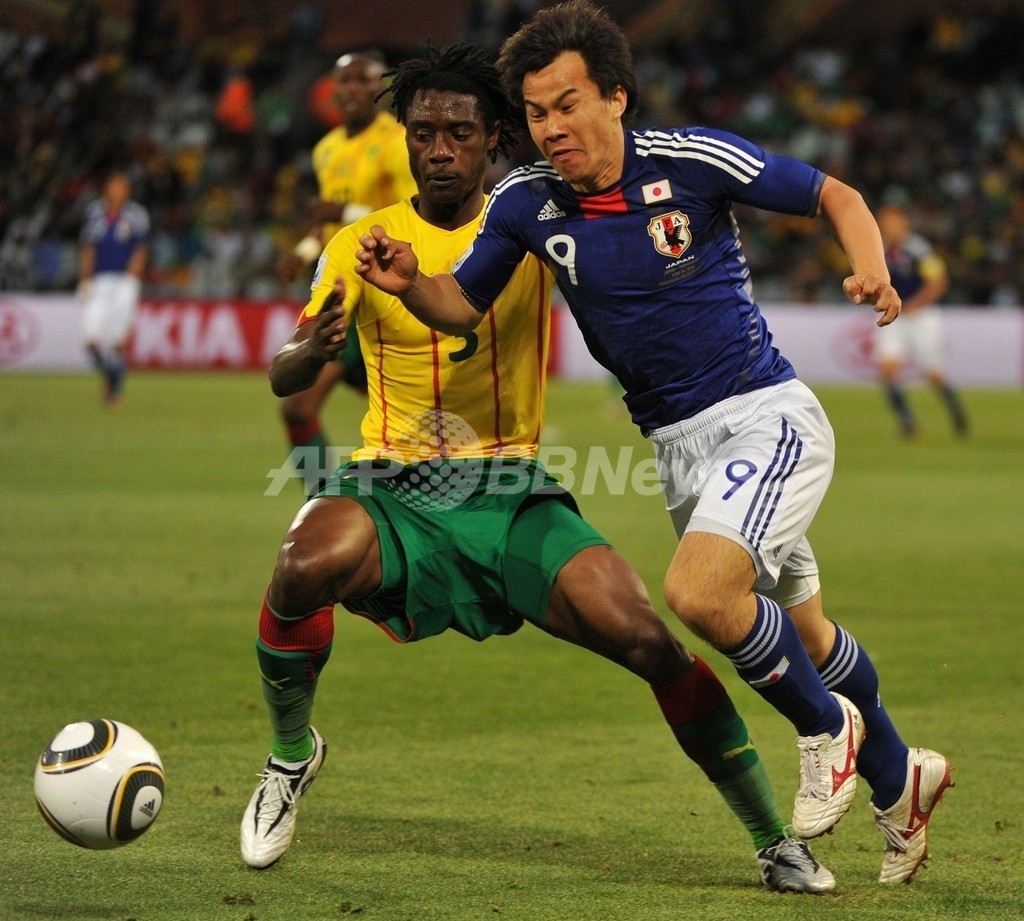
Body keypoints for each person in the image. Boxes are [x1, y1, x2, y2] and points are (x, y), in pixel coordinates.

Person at [355, 1, 951, 885]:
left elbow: (835, 193)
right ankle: (904, 778)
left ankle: (829, 730)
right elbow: (459, 307)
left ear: (617, 97)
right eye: (536, 113)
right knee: (807, 629)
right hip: (678, 448)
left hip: (764, 414)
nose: (550, 127)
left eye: (567, 104)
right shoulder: (525, 202)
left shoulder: (690, 161)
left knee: (699, 594)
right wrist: (412, 284)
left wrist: (871, 263)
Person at [241, 42, 834, 894]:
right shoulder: (358, 244)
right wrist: (310, 347)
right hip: (390, 485)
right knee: (302, 563)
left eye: (459, 131)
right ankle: (290, 757)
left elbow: (626, 254)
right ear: (403, 140)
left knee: (649, 640)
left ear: (494, 140)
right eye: (422, 132)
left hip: (510, 489)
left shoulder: (529, 222)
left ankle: (774, 836)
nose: (439, 148)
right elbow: (285, 374)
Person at [279, 51, 418, 496]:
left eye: (363, 80)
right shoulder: (326, 150)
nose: (353, 88)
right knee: (299, 409)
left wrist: (347, 209)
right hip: (340, 292)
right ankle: (324, 500)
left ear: (380, 89)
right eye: (345, 80)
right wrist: (303, 251)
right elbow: (327, 224)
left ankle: (328, 502)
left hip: (383, 296)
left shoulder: (398, 142)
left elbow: (415, 215)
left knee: (302, 407)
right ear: (334, 90)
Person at [874, 201, 969, 438]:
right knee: (887, 369)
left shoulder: (917, 249)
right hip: (894, 317)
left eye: (892, 222)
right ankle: (908, 423)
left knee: (932, 373)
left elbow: (938, 281)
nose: (888, 227)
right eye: (884, 222)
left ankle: (956, 409)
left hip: (921, 317)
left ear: (903, 223)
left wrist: (914, 304)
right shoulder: (881, 250)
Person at [77, 168, 149, 407]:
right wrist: (85, 278)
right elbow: (89, 247)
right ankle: (110, 377)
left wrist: (131, 277)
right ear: (107, 189)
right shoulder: (94, 213)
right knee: (91, 339)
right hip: (99, 280)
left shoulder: (137, 215)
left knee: (118, 341)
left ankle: (114, 390)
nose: (117, 191)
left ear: (126, 190)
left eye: (121, 187)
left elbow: (140, 248)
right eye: (113, 186)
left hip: (124, 282)